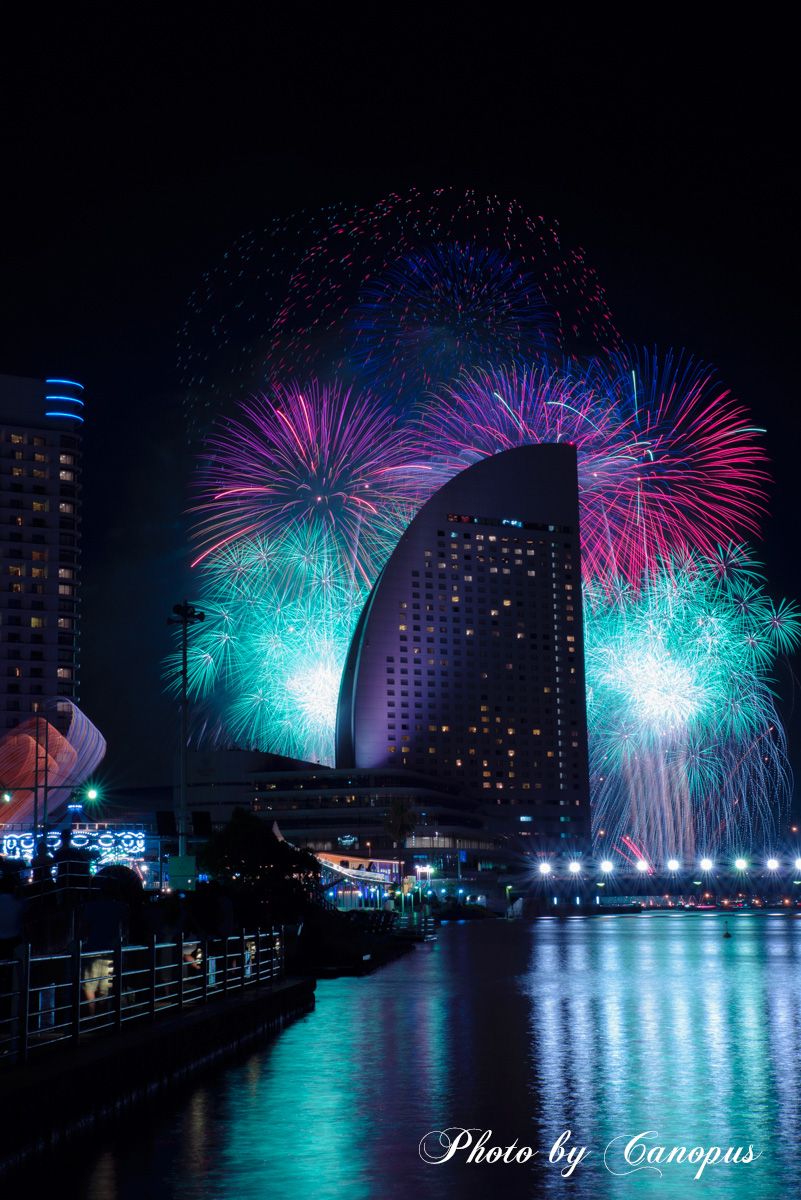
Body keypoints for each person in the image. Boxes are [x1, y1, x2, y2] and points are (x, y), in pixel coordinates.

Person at [79, 878, 128, 1018]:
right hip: (111, 951)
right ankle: (102, 1018)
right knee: (105, 987)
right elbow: (124, 927)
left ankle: (91, 1018)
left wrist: (78, 942)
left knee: (88, 986)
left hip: (93, 948)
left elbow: (85, 927)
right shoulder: (121, 907)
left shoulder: (91, 906)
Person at [51, 829, 92, 895]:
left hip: (64, 874)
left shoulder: (59, 852)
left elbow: (54, 862)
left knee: (63, 893)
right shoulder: (74, 851)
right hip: (72, 874)